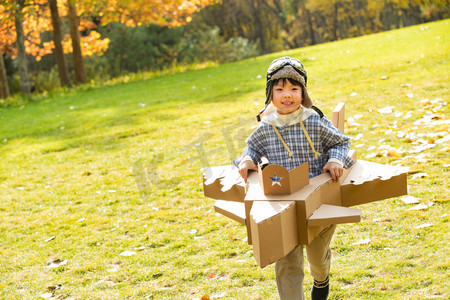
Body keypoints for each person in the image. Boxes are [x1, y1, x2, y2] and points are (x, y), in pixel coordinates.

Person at [234, 56, 354, 300]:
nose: (286, 94)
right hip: (282, 203)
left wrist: (335, 160)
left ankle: (321, 281)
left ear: (303, 93)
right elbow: (251, 150)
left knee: (317, 256)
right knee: (288, 261)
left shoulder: (314, 121)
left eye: (293, 88)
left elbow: (341, 142)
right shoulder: (266, 127)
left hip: (317, 200)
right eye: (279, 89)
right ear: (270, 94)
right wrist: (247, 160)